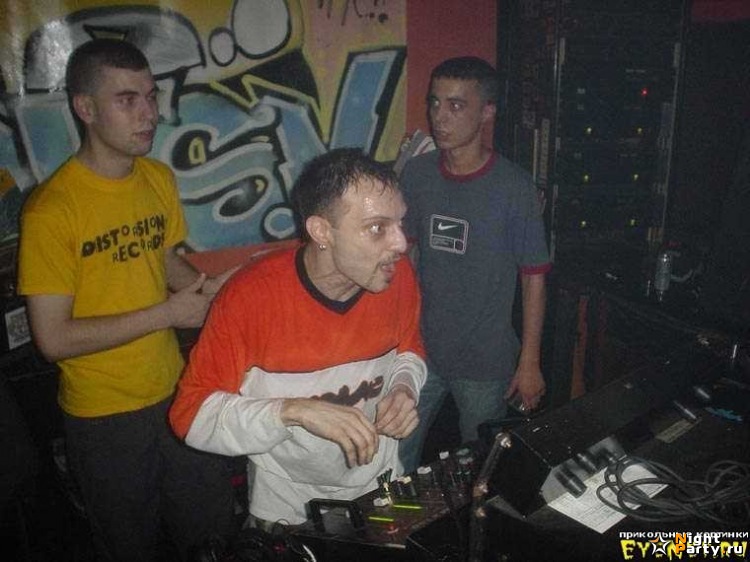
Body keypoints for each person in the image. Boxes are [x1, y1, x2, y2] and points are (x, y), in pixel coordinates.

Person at [17, 39, 235, 561]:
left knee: (213, 534)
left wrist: (214, 292)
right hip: (104, 419)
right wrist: (168, 313)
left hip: (176, 389)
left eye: (150, 96)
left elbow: (161, 259)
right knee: (130, 548)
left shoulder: (156, 178)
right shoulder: (51, 210)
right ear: (86, 108)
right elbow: (53, 339)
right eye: (127, 100)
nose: (148, 114)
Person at [169, 148, 427, 527]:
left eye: (399, 224)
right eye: (377, 228)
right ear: (322, 232)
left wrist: (404, 388)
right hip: (288, 506)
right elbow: (190, 417)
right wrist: (295, 411)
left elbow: (409, 350)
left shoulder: (396, 276)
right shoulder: (250, 297)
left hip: (379, 485)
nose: (400, 244)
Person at [398, 56, 551, 473]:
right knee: (393, 455)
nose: (439, 117)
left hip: (485, 360)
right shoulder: (417, 174)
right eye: (435, 103)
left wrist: (530, 361)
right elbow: (403, 257)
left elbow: (534, 277)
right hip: (422, 349)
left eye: (456, 105)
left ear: (487, 112)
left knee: (480, 468)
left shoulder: (513, 187)